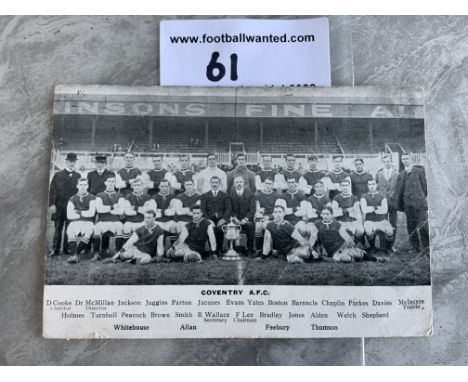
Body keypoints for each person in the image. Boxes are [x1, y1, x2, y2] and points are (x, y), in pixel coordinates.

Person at [392, 153, 429, 253]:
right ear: (402, 161)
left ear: (411, 159)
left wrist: (420, 198)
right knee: (411, 227)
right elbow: (400, 190)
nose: (405, 160)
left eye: (407, 158)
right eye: (403, 159)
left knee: (423, 226)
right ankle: (415, 247)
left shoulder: (419, 171)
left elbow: (425, 188)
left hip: (419, 204)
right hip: (407, 205)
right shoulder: (401, 174)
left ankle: (427, 247)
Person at [48, 152, 81, 256]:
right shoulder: (58, 175)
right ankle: (55, 249)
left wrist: (78, 206)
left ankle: (67, 249)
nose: (72, 163)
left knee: (69, 229)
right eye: (70, 161)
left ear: (75, 163)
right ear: (66, 162)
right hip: (59, 206)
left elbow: (79, 193)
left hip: (71, 207)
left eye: (74, 161)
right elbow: (52, 190)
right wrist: (52, 204)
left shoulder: (78, 176)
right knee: (58, 228)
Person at [93, 175, 126, 260]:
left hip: (116, 221)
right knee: (96, 228)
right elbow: (99, 209)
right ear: (105, 183)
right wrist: (113, 207)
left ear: (115, 183)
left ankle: (118, 252)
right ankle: (96, 254)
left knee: (120, 227)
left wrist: (106, 208)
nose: (111, 183)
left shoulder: (120, 195)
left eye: (113, 181)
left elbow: (121, 211)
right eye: (109, 181)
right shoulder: (99, 195)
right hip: (102, 221)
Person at [65, 178, 96, 264]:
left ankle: (75, 255)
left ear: (87, 186)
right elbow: (69, 215)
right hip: (75, 222)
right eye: (81, 185)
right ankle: (76, 255)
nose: (83, 187)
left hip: (88, 222)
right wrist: (85, 213)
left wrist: (77, 211)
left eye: (84, 185)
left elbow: (91, 213)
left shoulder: (92, 197)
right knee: (70, 230)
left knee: (89, 231)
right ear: (77, 186)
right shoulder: (72, 198)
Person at [361, 179, 394, 254]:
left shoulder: (382, 196)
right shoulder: (364, 196)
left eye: (373, 184)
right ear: (367, 186)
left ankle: (387, 248)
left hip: (382, 220)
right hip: (369, 220)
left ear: (376, 185)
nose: (371, 186)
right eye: (370, 184)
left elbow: (384, 210)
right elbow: (364, 209)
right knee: (368, 231)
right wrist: (377, 207)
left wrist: (371, 208)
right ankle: (373, 247)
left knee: (390, 231)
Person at [200, 176, 232, 255]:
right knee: (210, 228)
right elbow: (202, 209)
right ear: (210, 184)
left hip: (222, 219)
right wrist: (208, 220)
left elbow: (229, 208)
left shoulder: (225, 195)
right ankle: (212, 249)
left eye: (216, 182)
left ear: (219, 183)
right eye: (213, 182)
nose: (215, 184)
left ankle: (219, 249)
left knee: (220, 229)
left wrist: (224, 219)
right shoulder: (205, 196)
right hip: (210, 219)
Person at [122, 177, 156, 244]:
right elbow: (128, 212)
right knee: (126, 227)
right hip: (130, 220)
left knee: (145, 228)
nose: (137, 187)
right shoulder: (128, 196)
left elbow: (148, 212)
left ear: (142, 186)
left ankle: (143, 247)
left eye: (138, 185)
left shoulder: (147, 197)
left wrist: (135, 208)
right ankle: (126, 247)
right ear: (132, 186)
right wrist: (142, 209)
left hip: (142, 220)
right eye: (135, 185)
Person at [375, 154, 399, 250]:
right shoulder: (378, 174)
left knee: (393, 224)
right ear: (382, 162)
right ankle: (383, 246)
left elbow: (398, 188)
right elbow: (375, 188)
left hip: (393, 203)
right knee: (382, 223)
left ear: (391, 162)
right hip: (382, 203)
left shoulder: (396, 174)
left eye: (388, 161)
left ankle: (391, 245)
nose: (387, 163)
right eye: (385, 161)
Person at [332, 180, 365, 244]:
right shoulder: (336, 198)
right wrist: (348, 210)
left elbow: (357, 212)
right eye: (343, 185)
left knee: (361, 231)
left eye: (346, 185)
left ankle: (356, 243)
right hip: (341, 221)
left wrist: (340, 210)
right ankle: (347, 245)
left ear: (349, 186)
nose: (345, 187)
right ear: (340, 187)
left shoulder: (354, 198)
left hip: (352, 221)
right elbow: (334, 212)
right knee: (341, 231)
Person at [229, 176, 256, 256]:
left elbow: (252, 209)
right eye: (237, 182)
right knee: (230, 227)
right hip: (235, 219)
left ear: (244, 183)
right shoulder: (230, 194)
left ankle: (250, 249)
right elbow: (229, 208)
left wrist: (246, 219)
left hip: (247, 218)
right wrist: (235, 218)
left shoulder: (250, 193)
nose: (239, 184)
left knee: (251, 226)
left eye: (241, 182)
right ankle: (232, 249)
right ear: (234, 184)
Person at [254, 177, 279, 255]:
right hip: (261, 216)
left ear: (273, 185)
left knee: (266, 225)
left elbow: (278, 211)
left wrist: (269, 217)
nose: (268, 185)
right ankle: (258, 249)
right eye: (266, 183)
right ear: (263, 184)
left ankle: (272, 249)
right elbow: (257, 208)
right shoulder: (258, 194)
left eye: (270, 184)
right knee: (258, 226)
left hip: (273, 217)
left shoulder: (277, 195)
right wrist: (260, 214)